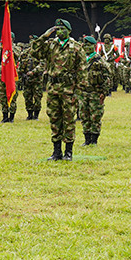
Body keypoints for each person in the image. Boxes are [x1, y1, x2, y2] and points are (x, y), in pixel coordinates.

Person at [35, 19, 85, 161]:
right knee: (54, 118)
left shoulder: (76, 47)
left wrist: (79, 92)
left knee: (69, 119)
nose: (59, 32)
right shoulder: (51, 45)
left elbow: (82, 70)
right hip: (53, 88)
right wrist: (44, 36)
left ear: (69, 31)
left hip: (69, 89)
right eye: (57, 29)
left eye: (62, 29)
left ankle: (68, 152)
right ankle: (56, 152)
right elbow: (34, 52)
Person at [79, 36, 112, 146]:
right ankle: (87, 139)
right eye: (85, 45)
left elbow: (107, 77)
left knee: (95, 116)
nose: (87, 47)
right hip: (83, 93)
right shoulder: (81, 60)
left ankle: (94, 140)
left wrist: (104, 93)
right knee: (84, 116)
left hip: (95, 93)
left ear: (94, 46)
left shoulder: (99, 60)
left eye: (89, 45)